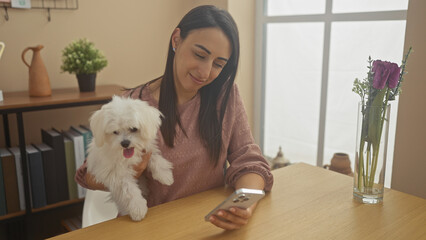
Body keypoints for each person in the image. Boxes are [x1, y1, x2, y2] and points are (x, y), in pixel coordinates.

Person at [75, 5, 273, 230]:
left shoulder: (225, 97)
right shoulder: (131, 105)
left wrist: (244, 206)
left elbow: (250, 162)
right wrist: (130, 169)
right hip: (148, 228)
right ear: (177, 40)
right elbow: (87, 175)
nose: (206, 72)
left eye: (218, 64)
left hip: (207, 225)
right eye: (199, 55)